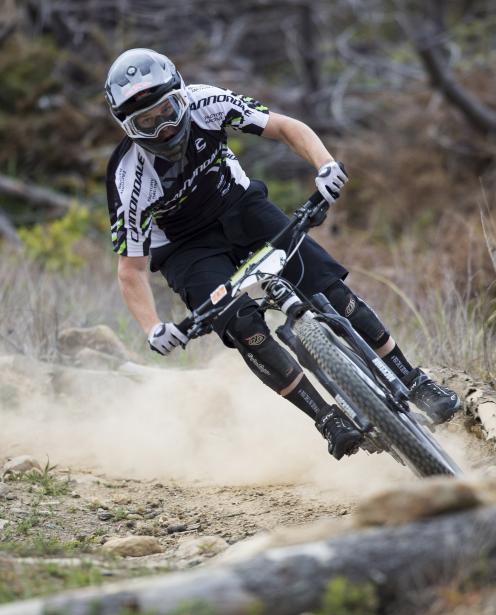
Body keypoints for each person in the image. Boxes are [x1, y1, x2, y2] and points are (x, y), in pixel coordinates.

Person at [105, 48, 461, 460]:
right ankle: (326, 418)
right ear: (126, 126)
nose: (163, 127)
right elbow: (130, 269)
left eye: (167, 110)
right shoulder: (127, 177)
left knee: (332, 290)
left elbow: (285, 127)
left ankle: (414, 380)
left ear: (181, 94)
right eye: (145, 122)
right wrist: (153, 329)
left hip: (239, 206)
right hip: (187, 249)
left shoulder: (207, 102)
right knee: (243, 326)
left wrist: (325, 164)